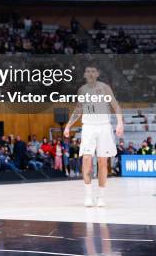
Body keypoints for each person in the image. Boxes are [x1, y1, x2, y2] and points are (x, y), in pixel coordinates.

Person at [64, 65, 123, 207]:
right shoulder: (82, 90)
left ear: (97, 74)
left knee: (103, 162)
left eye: (93, 71)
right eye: (88, 71)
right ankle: (88, 196)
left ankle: (101, 197)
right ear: (85, 74)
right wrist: (68, 125)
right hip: (88, 127)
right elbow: (78, 110)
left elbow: (115, 105)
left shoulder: (105, 88)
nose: (90, 73)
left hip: (104, 126)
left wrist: (120, 123)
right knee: (86, 159)